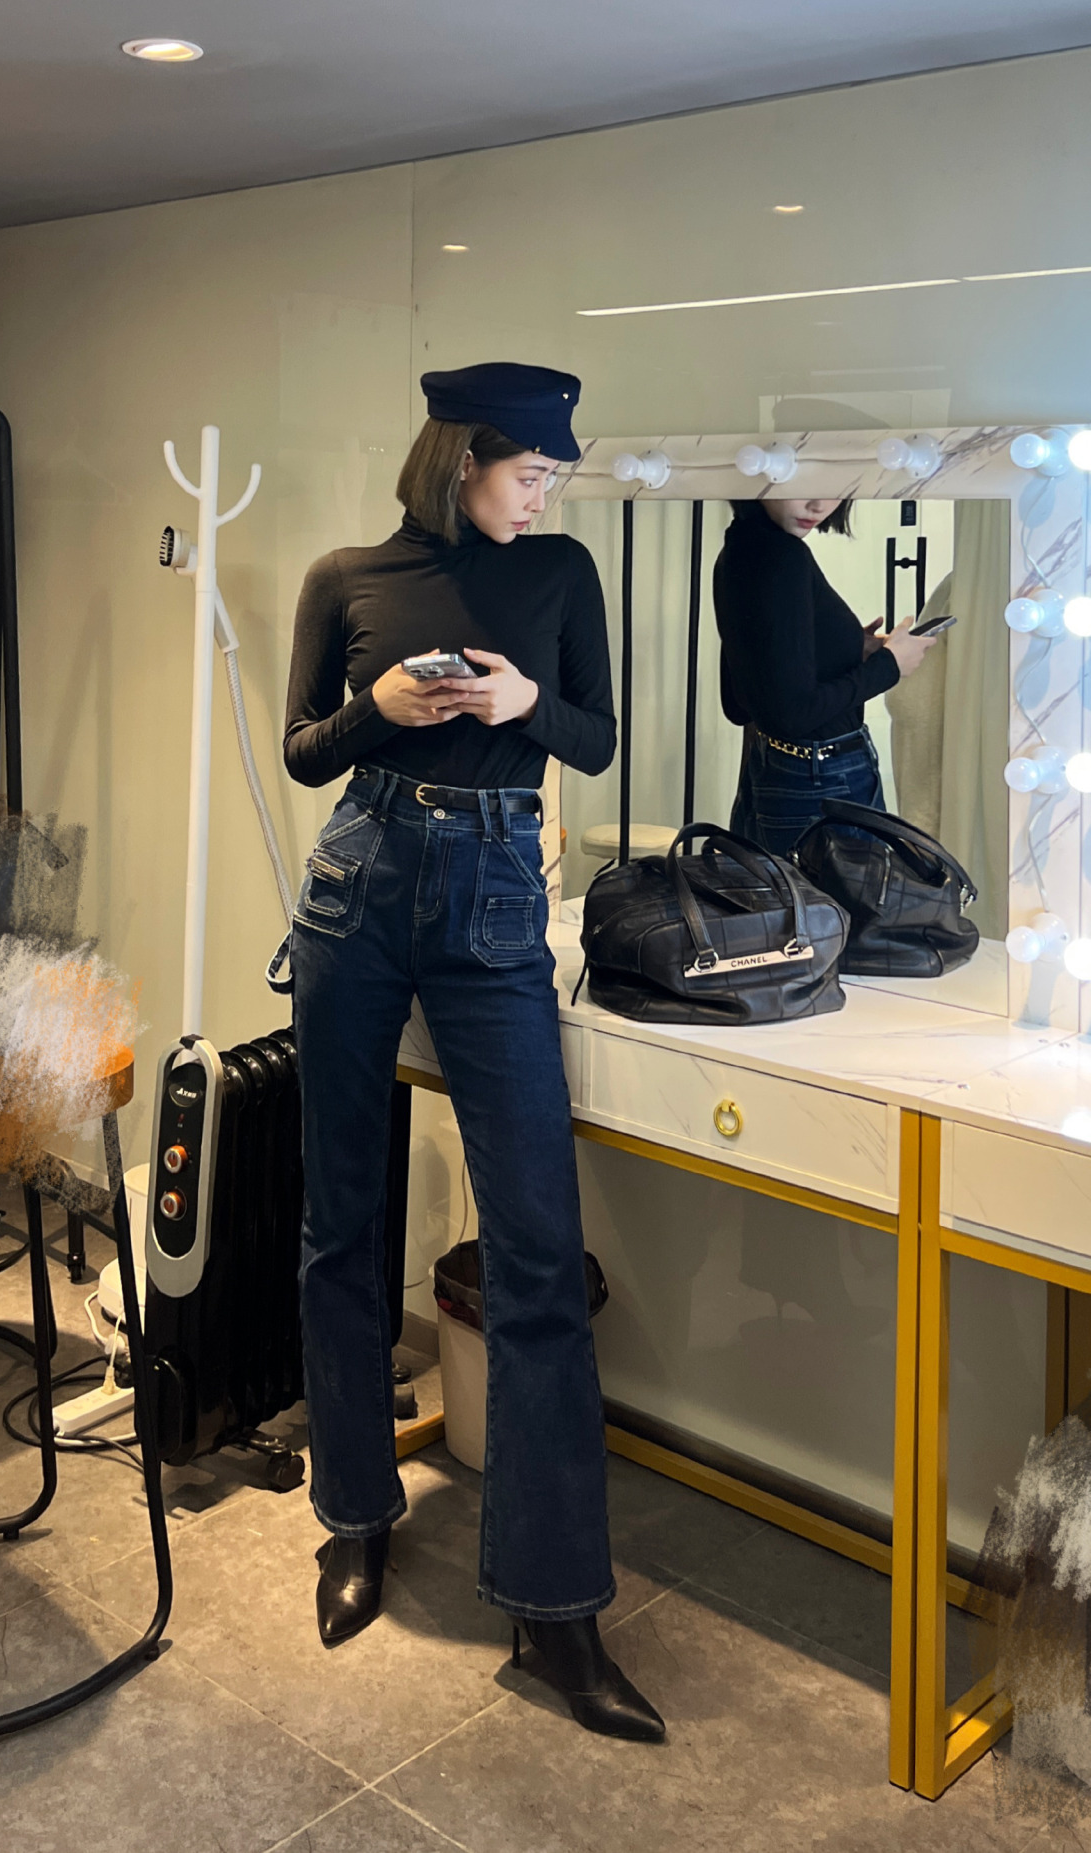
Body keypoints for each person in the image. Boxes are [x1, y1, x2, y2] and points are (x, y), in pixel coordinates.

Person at [281, 361, 665, 1743]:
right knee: (341, 1219)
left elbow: (597, 739)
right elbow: (304, 752)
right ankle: (353, 1516)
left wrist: (519, 708)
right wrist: (379, 709)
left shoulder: (561, 575)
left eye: (555, 475)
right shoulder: (346, 577)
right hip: (360, 879)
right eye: (531, 471)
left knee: (538, 1252)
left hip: (499, 891)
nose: (546, 493)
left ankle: (556, 1609)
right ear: (461, 461)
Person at [713, 496, 937, 859]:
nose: (819, 505)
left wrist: (844, 648)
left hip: (776, 769)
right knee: (842, 898)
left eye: (834, 488)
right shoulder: (783, 556)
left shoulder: (739, 547)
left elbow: (743, 699)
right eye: (804, 485)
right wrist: (890, 665)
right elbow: (792, 714)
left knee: (778, 895)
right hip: (822, 777)